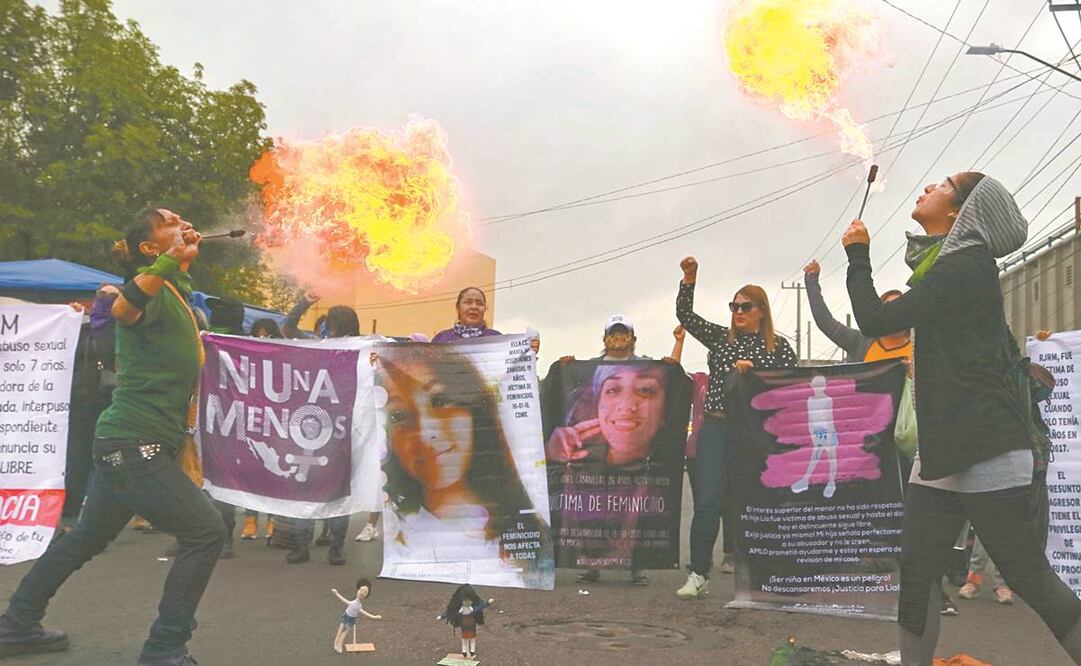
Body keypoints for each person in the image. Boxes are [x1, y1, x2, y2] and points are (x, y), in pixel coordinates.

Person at [842, 172, 1081, 665]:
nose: (928, 185)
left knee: (1025, 574)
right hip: (946, 448)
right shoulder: (947, 266)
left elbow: (878, 321)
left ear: (961, 213)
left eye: (944, 184)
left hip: (985, 444)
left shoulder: (966, 266)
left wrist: (858, 256)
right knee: (916, 569)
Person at [0, 208, 225, 665]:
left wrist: (177, 262)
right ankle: (164, 648)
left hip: (129, 442)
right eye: (168, 222)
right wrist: (166, 265)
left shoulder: (177, 293)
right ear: (149, 248)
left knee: (86, 538)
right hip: (133, 444)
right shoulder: (151, 286)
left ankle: (17, 623)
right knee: (206, 532)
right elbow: (123, 308)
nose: (181, 221)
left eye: (181, 218)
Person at [674, 256, 798, 600]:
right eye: (734, 306)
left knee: (757, 502)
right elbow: (686, 317)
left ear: (761, 311)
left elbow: (790, 389)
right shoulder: (721, 339)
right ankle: (698, 573)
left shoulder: (779, 348)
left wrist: (754, 373)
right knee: (708, 500)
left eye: (745, 306)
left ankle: (764, 575)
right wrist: (689, 279)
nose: (738, 312)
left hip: (755, 434)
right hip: (716, 427)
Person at [378, 344, 552, 587]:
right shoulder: (400, 533)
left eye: (441, 401)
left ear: (476, 411)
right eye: (400, 416)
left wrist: (523, 353)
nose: (427, 433)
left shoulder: (527, 534)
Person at [288, 305, 361, 566]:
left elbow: (287, 328)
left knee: (308, 491)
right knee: (337, 492)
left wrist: (302, 303)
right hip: (330, 430)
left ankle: (304, 546)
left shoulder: (358, 349)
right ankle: (334, 548)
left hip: (325, 430)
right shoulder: (322, 346)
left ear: (331, 324)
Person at [803, 260, 910, 363]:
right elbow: (825, 322)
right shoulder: (859, 343)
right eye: (889, 307)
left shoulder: (922, 345)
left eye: (900, 307)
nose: (894, 313)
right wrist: (812, 281)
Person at [240, 318, 285, 540]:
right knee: (252, 473)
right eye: (258, 333)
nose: (262, 337)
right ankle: (250, 520)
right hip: (252, 421)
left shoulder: (282, 356)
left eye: (266, 333)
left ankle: (272, 521)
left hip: (275, 425)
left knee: (272, 473)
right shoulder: (247, 354)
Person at [432, 286, 540, 354]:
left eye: (479, 303)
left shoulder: (496, 338)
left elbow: (511, 371)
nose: (474, 307)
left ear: (485, 309)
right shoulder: (442, 338)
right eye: (468, 302)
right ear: (458, 308)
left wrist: (528, 353)